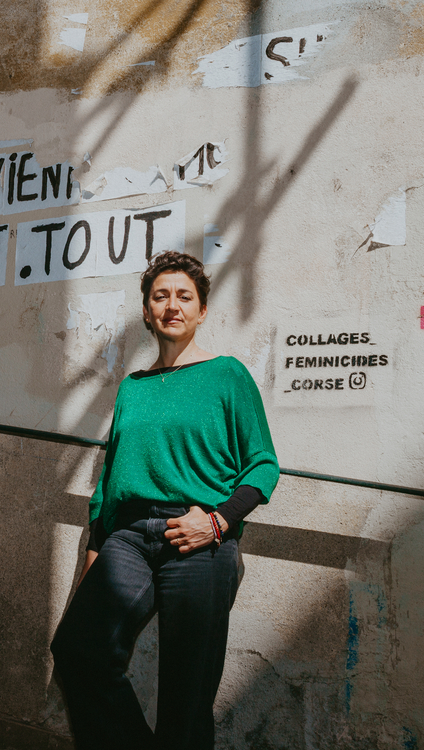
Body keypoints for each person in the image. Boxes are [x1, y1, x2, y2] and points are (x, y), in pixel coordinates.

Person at [50, 251, 280, 750]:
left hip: (199, 541)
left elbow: (263, 466)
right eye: (160, 296)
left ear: (201, 310)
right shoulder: (131, 388)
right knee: (77, 649)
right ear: (147, 311)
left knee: (185, 698)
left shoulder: (227, 375)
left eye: (184, 296)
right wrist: (94, 560)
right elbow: (109, 485)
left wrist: (217, 523)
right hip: (129, 537)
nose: (172, 305)